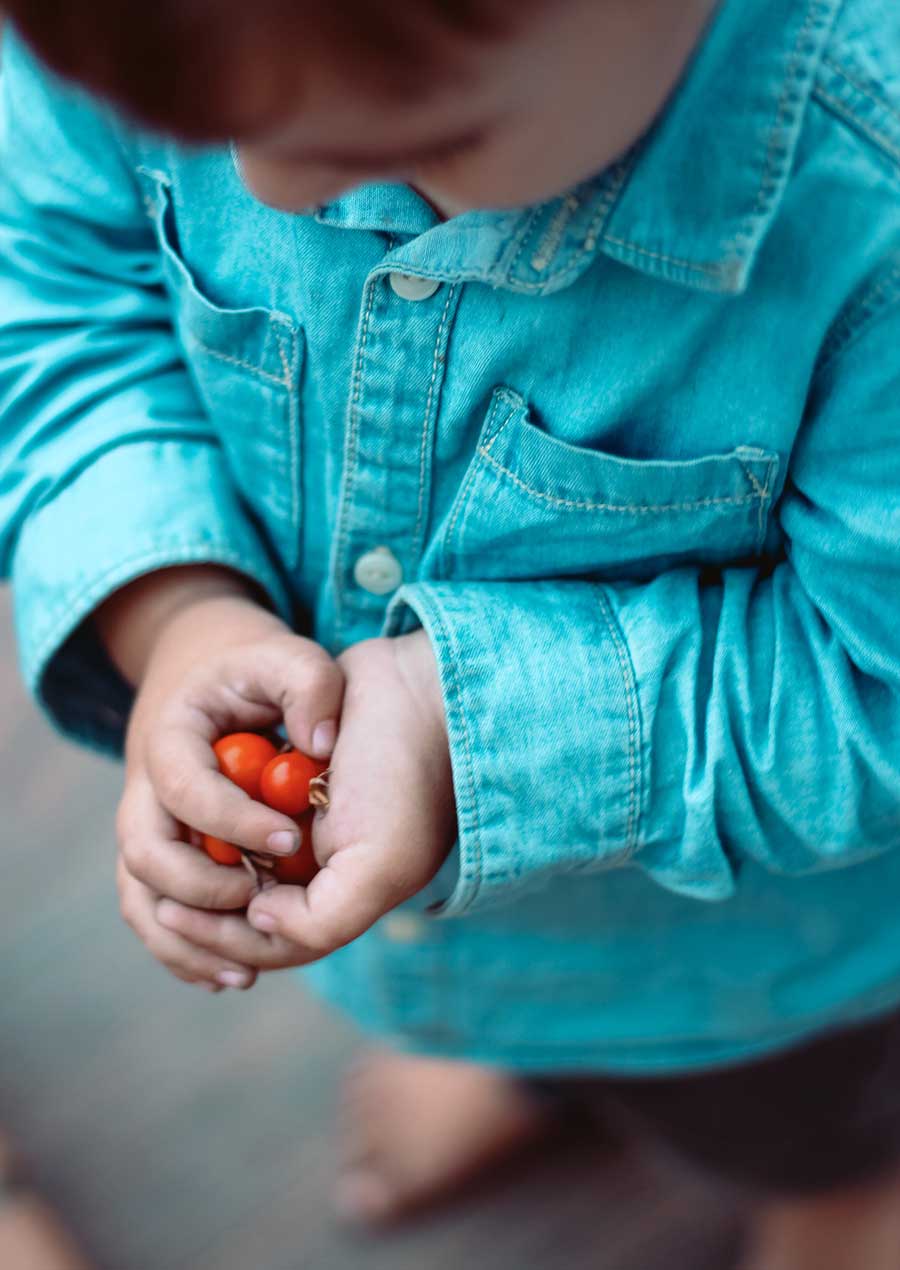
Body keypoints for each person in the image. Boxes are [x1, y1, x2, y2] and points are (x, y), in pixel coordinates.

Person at [1, 1, 899, 1266]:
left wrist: (470, 735)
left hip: (759, 976)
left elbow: (875, 683)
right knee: (533, 1033)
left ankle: (851, 1194)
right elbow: (53, 300)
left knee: (799, 1129)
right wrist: (179, 611)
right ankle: (529, 1059)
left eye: (424, 133)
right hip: (481, 938)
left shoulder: (876, 188)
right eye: (191, 132)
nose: (266, 187)